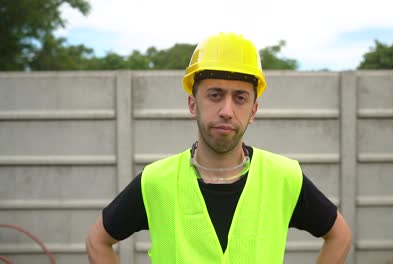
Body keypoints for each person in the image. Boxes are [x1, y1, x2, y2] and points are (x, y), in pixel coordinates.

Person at [86, 32, 352, 263]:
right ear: (193, 104)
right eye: (215, 95)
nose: (226, 111)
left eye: (240, 98)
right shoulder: (156, 181)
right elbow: (97, 241)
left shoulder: (284, 176)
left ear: (253, 110)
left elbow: (340, 235)